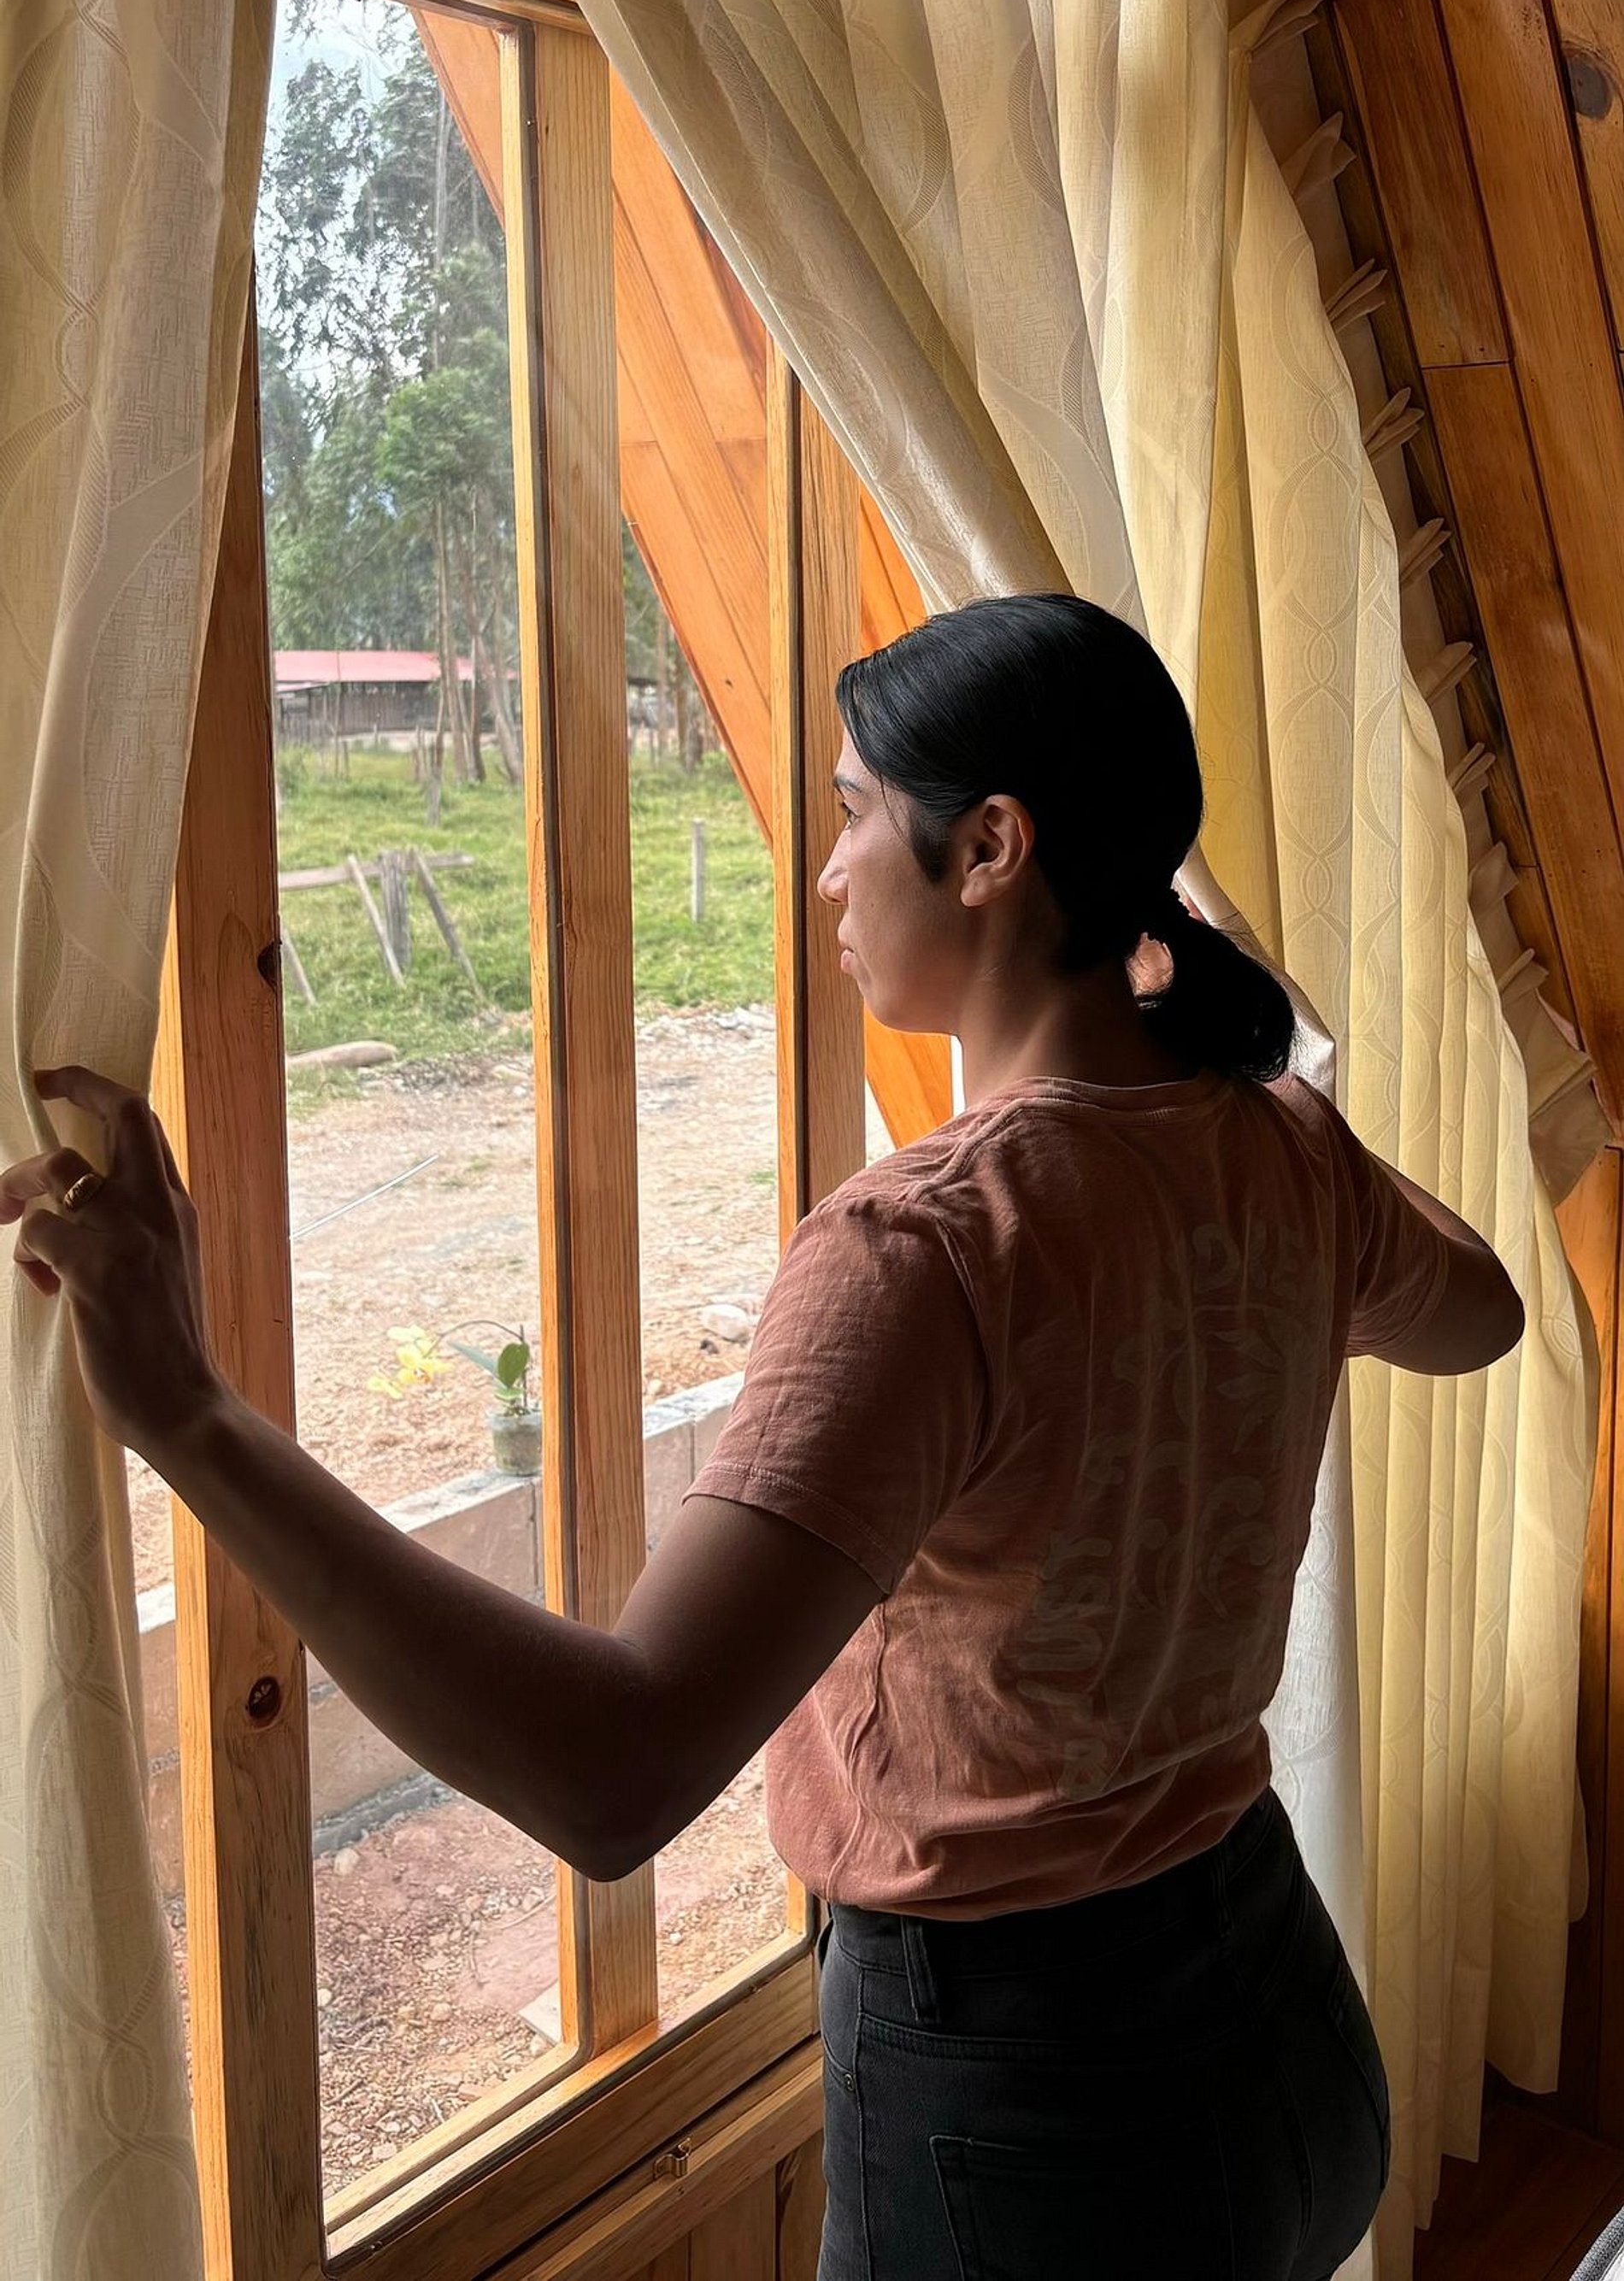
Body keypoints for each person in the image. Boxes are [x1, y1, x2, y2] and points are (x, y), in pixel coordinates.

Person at [3, 594, 1521, 2280]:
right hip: (1278, 2033)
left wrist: (189, 1413)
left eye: (854, 810)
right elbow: (1480, 1313)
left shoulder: (931, 1246)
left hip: (1034, 2119)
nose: (827, 872)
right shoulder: (1281, 1147)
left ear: (990, 847)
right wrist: (1255, 1163)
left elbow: (616, 1772)